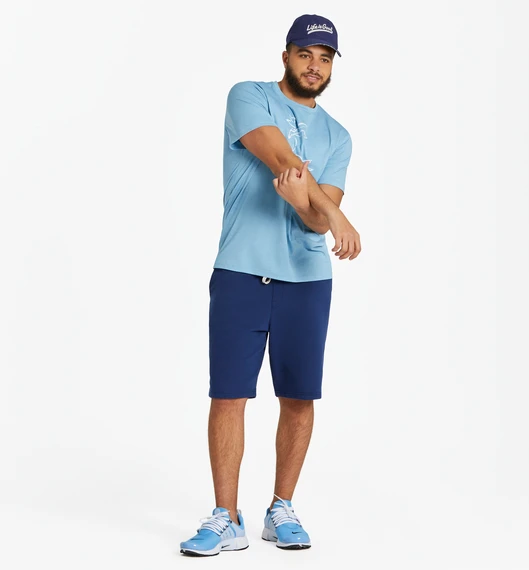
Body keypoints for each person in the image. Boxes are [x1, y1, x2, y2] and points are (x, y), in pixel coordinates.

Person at [180, 13, 361, 557]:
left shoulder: (338, 136)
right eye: (305, 54)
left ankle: (281, 508)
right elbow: (280, 158)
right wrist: (336, 215)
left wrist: (309, 205)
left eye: (324, 58)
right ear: (286, 56)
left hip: (307, 278)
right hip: (241, 269)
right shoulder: (249, 95)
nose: (314, 66)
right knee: (228, 394)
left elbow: (314, 222)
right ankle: (226, 517)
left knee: (299, 397)